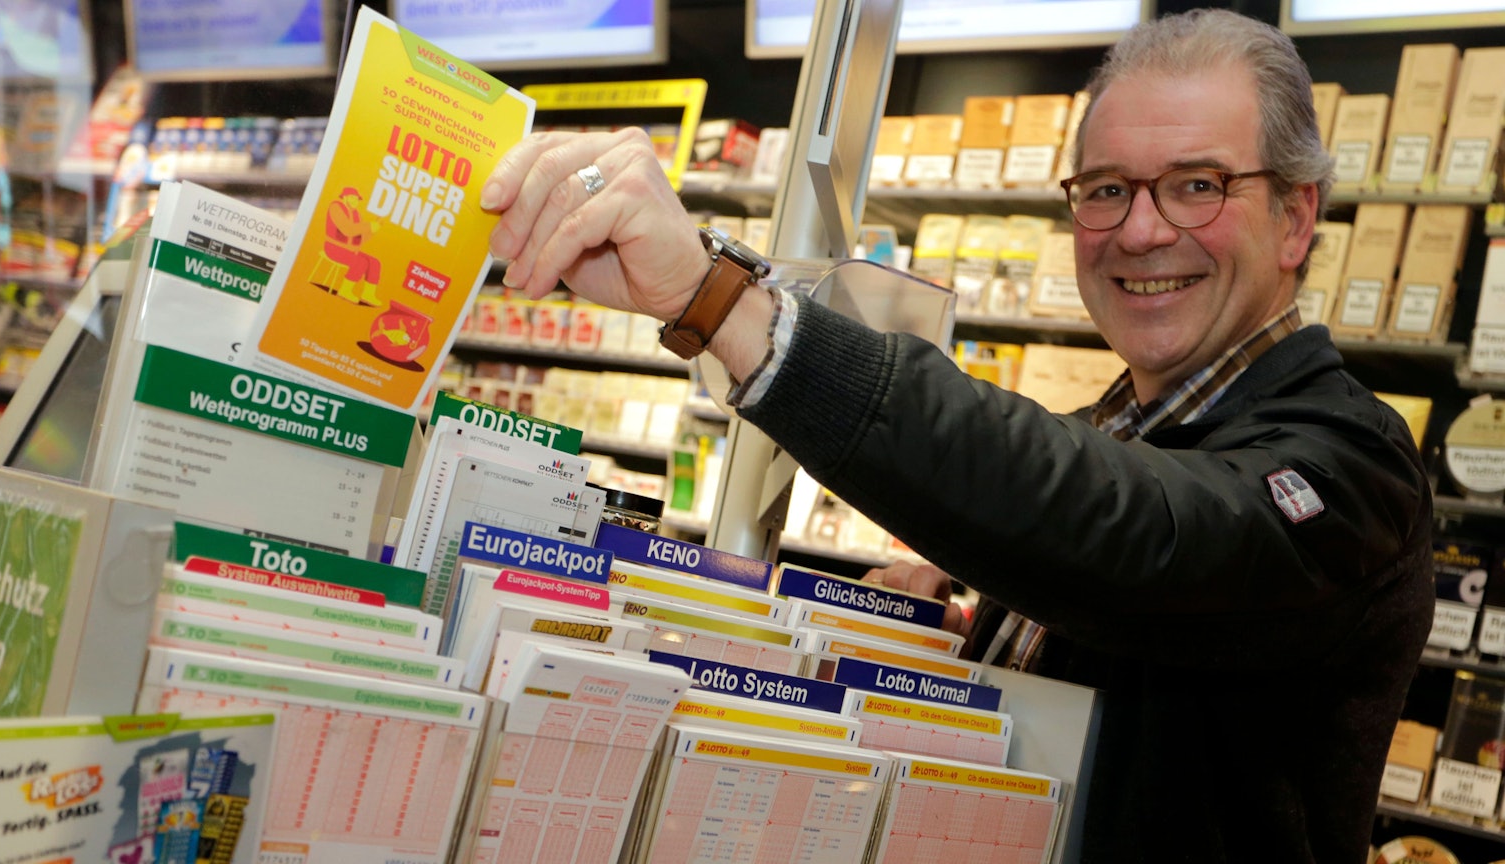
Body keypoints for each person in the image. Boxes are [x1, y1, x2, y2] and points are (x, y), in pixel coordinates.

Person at [479, 8, 1433, 860]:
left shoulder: (1353, 466)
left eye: (1196, 185)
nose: (1140, 231)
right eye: (1105, 190)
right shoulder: (1118, 423)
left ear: (1297, 217)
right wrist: (961, 641)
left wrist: (719, 301)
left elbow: (1138, 535)